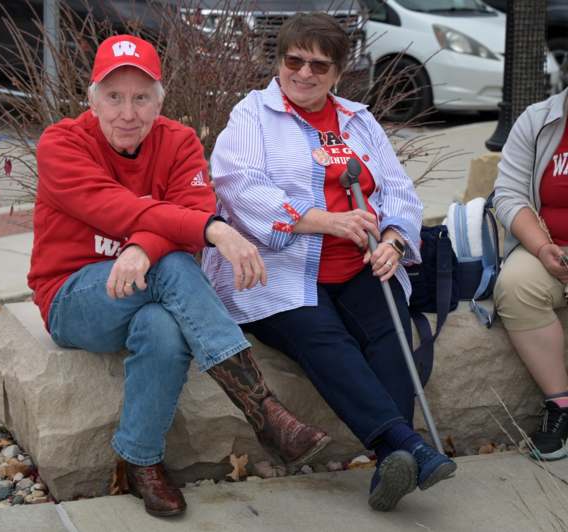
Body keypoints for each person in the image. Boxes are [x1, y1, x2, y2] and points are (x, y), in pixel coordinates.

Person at [27, 34, 331, 518]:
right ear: (92, 100)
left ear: (159, 102)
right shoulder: (61, 144)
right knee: (172, 265)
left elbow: (190, 212)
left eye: (141, 98)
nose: (128, 113)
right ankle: (262, 410)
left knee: (163, 330)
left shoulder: (179, 141)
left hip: (148, 293)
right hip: (74, 297)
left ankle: (139, 459)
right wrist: (213, 230)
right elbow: (118, 208)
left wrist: (144, 247)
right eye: (114, 97)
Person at [202, 13, 456, 512]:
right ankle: (407, 446)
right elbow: (239, 187)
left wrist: (393, 242)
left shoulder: (359, 121)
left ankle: (393, 460)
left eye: (319, 65)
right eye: (294, 60)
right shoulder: (252, 115)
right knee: (324, 336)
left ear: (338, 73)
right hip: (280, 267)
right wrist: (325, 221)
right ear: (279, 62)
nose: (304, 73)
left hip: (359, 262)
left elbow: (399, 192)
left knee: (389, 331)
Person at [493, 87, 568, 461]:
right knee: (515, 285)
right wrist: (541, 248)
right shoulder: (539, 120)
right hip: (550, 247)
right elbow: (509, 195)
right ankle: (561, 405)